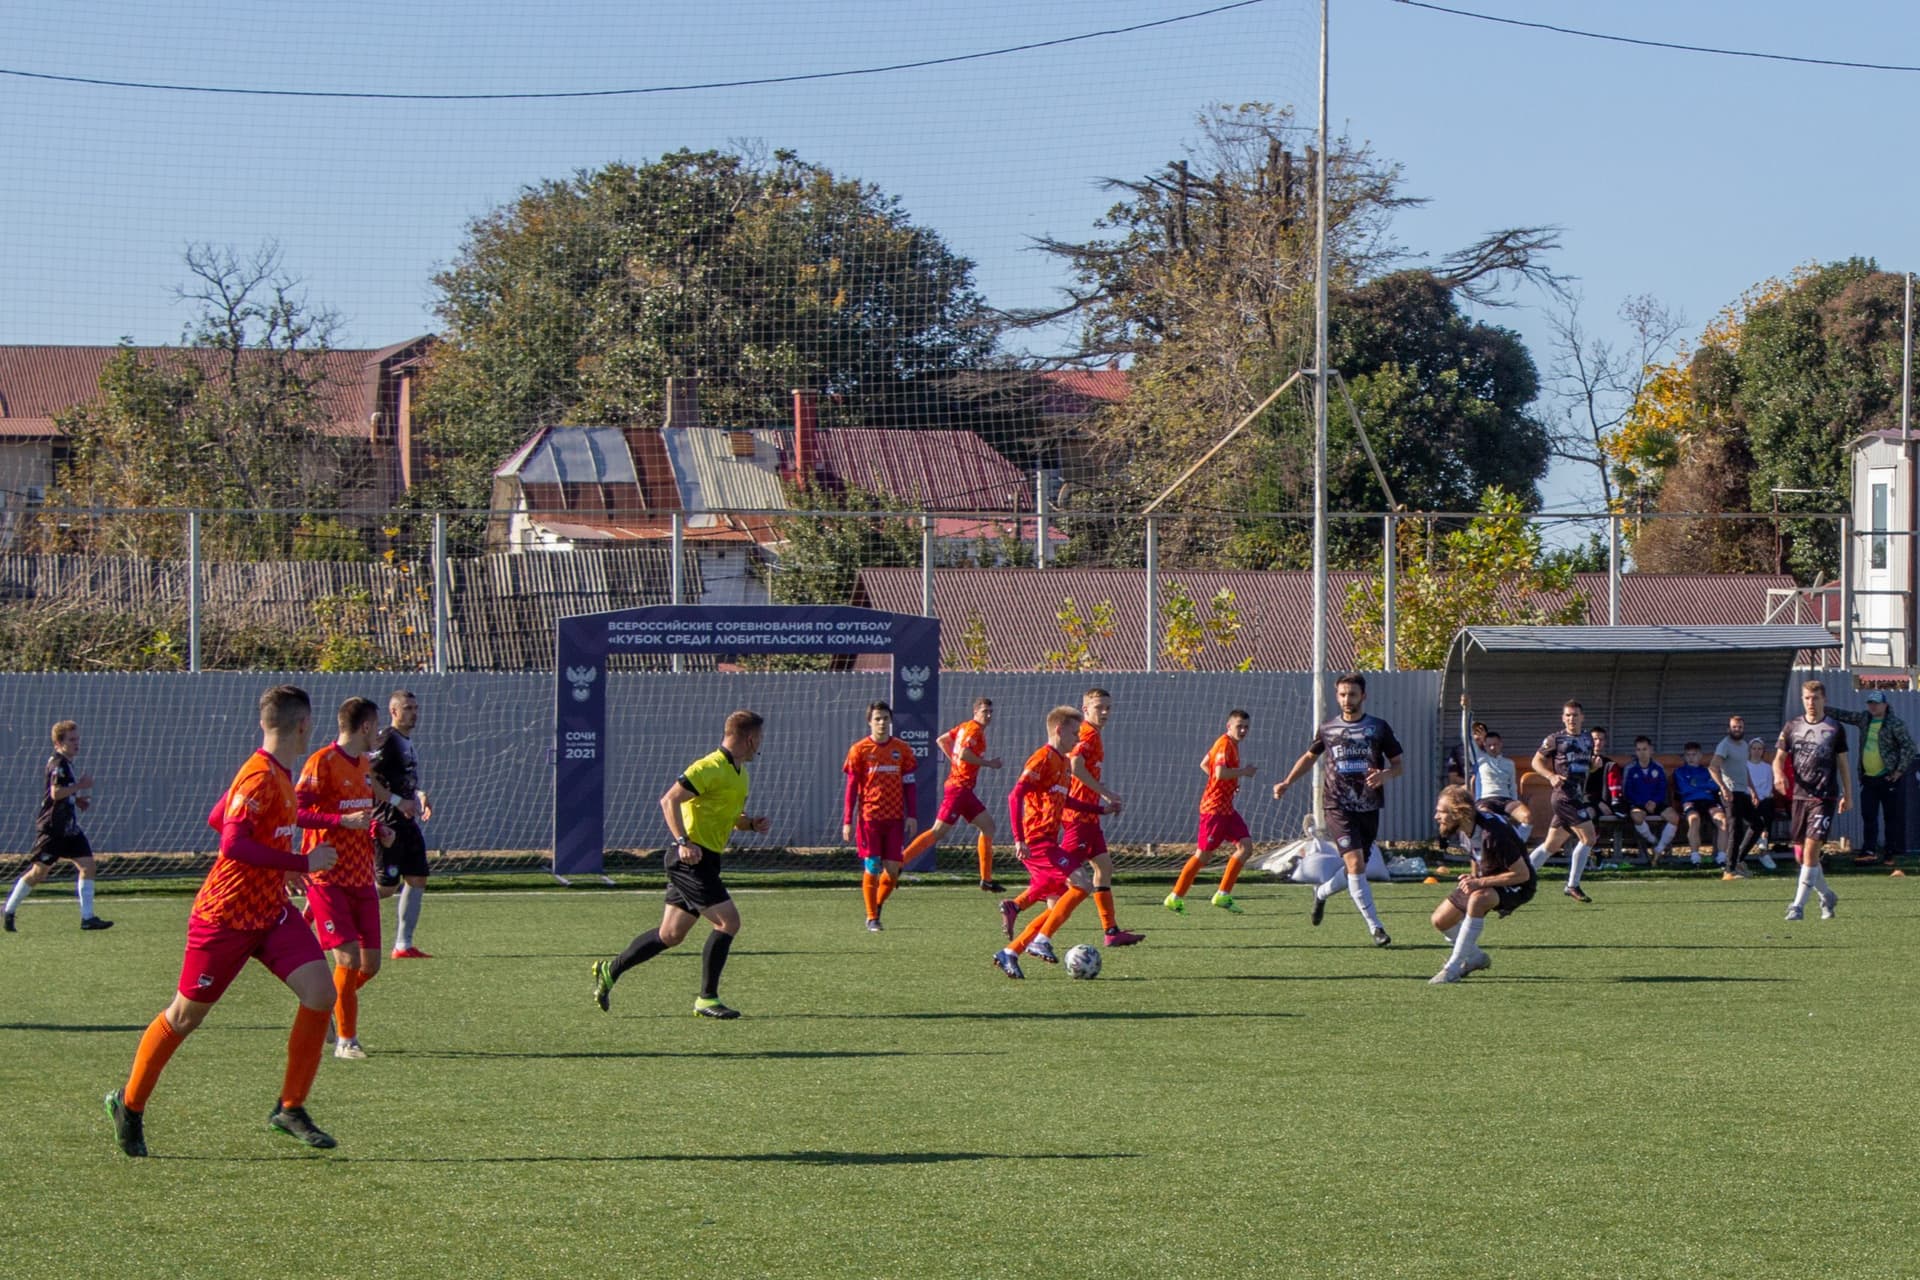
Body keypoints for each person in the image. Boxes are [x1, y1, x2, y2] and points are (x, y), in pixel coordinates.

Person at [106, 686, 343, 1157]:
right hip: (224, 917)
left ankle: (290, 1108)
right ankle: (129, 1106)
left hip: (269, 913)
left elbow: (219, 816)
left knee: (320, 993)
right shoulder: (259, 777)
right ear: (303, 726)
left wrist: (276, 867)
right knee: (184, 1017)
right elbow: (231, 843)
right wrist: (301, 863)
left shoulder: (275, 774)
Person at [592, 710, 767, 1018]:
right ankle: (707, 998)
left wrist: (750, 824)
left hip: (707, 859)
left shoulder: (739, 772)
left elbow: (727, 815)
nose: (761, 745)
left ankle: (610, 969)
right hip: (690, 859)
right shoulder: (708, 766)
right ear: (750, 739)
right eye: (760, 739)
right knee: (728, 922)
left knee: (670, 934)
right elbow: (669, 800)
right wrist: (684, 843)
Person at [1272, 673, 1403, 946]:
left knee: (1358, 868)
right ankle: (1376, 928)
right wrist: (1287, 781)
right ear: (1337, 696)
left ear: (1363, 696)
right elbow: (1310, 757)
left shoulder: (1378, 728)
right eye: (1342, 694)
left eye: (1352, 694)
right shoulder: (1327, 729)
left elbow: (1398, 765)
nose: (1347, 700)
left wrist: (1385, 776)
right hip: (1337, 805)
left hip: (1368, 804)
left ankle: (1321, 893)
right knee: (1355, 863)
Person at [296, 697, 394, 1060]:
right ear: (365, 726)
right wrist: (341, 823)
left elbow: (359, 815)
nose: (378, 732)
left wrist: (377, 828)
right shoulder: (321, 762)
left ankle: (324, 1011)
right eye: (376, 724)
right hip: (328, 877)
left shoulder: (365, 765)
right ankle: (346, 1041)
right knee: (348, 960)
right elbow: (298, 812)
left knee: (370, 966)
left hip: (360, 876)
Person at [994, 706, 1115, 978]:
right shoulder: (1042, 758)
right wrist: (1019, 839)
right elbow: (1015, 796)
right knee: (1081, 883)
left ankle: (1011, 951)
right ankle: (1041, 939)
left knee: (1057, 903)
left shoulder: (1061, 762)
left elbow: (1065, 800)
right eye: (1075, 733)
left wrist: (1100, 810)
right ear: (1059, 730)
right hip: (1036, 842)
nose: (1078, 739)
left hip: (1049, 841)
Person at [1050, 688, 1145, 948]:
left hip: (1089, 816)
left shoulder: (1094, 734)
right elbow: (1075, 766)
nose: (1104, 712)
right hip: (1079, 816)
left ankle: (1111, 931)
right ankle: (1029, 918)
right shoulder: (1088, 734)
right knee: (1060, 877)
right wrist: (1105, 793)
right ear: (1085, 709)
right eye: (1098, 707)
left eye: (1108, 708)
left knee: (1103, 868)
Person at [5, 720, 111, 933]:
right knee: (38, 873)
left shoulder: (67, 762)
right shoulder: (58, 763)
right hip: (53, 829)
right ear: (58, 743)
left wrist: (77, 800)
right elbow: (55, 793)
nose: (76, 743)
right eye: (71, 740)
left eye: (77, 739)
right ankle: (9, 910)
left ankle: (87, 918)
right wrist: (80, 786)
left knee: (88, 866)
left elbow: (63, 794)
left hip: (69, 828)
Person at [1428, 785, 1535, 984]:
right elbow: (1476, 855)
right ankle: (1475, 957)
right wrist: (1473, 877)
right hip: (1488, 879)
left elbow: (1522, 874)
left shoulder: (1493, 834)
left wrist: (1479, 882)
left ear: (1458, 813)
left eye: (1441, 812)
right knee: (1440, 920)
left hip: (1519, 884)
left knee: (1478, 899)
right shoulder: (1465, 826)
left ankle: (1452, 969)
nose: (1436, 816)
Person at [899, 697, 1003, 891]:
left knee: (988, 827)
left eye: (990, 712)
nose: (988, 715)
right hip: (958, 789)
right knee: (937, 832)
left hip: (964, 790)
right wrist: (988, 763)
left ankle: (986, 880)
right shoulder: (973, 730)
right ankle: (898, 863)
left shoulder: (964, 727)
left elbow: (942, 740)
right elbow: (963, 753)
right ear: (975, 712)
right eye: (984, 712)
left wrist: (954, 762)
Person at [1164, 710, 1259, 915]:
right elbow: (1219, 772)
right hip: (1214, 809)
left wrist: (1229, 783)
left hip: (1226, 807)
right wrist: (1242, 773)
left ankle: (1223, 894)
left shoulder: (1229, 743)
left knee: (1245, 846)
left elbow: (1205, 764)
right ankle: (1175, 896)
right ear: (1229, 726)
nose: (1243, 730)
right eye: (1239, 726)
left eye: (1246, 727)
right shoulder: (1225, 744)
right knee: (1203, 856)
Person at [1776, 679, 1851, 922]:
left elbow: (1843, 764)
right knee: (1802, 855)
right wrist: (1777, 774)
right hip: (1799, 796)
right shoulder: (1792, 727)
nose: (1811, 703)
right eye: (1807, 698)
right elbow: (1778, 757)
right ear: (1802, 700)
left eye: (1815, 698)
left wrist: (1847, 795)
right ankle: (1827, 895)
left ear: (1824, 700)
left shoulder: (1834, 728)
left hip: (1824, 796)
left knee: (1810, 851)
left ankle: (1797, 906)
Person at [844, 702, 918, 932]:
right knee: (873, 866)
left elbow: (909, 784)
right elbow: (851, 786)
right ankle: (872, 917)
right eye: (877, 719)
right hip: (869, 818)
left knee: (893, 870)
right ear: (869, 722)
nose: (882, 723)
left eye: (885, 718)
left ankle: (875, 905)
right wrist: (847, 820)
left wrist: (912, 814)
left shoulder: (902, 750)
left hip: (895, 818)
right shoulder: (859, 750)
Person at [372, 690, 433, 959]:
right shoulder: (387, 740)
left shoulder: (406, 742)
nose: (414, 713)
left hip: (407, 821)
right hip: (388, 822)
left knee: (418, 877)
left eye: (415, 708)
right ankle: (335, 905)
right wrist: (397, 801)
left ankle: (403, 945)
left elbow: (403, 779)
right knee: (385, 888)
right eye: (408, 708)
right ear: (394, 712)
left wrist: (419, 795)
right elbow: (366, 776)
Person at [1828, 693, 1913, 867]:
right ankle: (1869, 851)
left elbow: (1909, 747)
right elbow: (1845, 715)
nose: (1873, 707)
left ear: (1885, 705)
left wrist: (1898, 771)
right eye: (1870, 704)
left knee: (1890, 817)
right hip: (1869, 778)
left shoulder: (1894, 724)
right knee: (1868, 815)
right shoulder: (1865, 719)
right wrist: (1822, 708)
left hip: (1888, 778)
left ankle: (1890, 852)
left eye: (1876, 704)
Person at [1528, 701, 1600, 902]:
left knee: (1551, 845)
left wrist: (1594, 766)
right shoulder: (1555, 739)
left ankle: (1520, 877)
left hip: (1576, 795)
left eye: (1575, 715)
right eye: (1568, 715)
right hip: (1564, 797)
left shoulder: (1587, 738)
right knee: (1589, 838)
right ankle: (1572, 885)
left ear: (1582, 717)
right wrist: (1550, 776)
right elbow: (1535, 762)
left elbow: (1585, 768)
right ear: (1563, 718)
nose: (1572, 719)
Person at [1710, 715, 1758, 879]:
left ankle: (1738, 859)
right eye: (1734, 727)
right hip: (1730, 793)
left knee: (1757, 824)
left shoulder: (1744, 745)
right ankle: (1729, 870)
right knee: (1735, 829)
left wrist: (1752, 789)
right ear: (1728, 728)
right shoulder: (1724, 745)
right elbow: (1713, 768)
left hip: (1742, 792)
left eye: (1740, 727)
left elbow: (1744, 769)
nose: (1737, 730)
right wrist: (1723, 787)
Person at [1621, 736, 1680, 862]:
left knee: (1674, 818)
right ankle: (1653, 840)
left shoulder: (1658, 767)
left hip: (1656, 802)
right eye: (1639, 750)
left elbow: (1662, 787)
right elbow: (1627, 791)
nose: (1642, 753)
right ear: (1635, 751)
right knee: (1637, 817)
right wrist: (1642, 803)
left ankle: (1659, 849)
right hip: (1638, 803)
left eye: (1644, 749)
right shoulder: (1630, 769)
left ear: (1651, 750)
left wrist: (1654, 801)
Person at [1672, 743, 1726, 868]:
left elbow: (1715, 786)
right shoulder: (1680, 772)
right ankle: (1695, 857)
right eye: (1688, 755)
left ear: (1700, 755)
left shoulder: (1708, 771)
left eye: (1694, 754)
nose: (1691, 758)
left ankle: (1722, 857)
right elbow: (1685, 789)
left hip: (1709, 801)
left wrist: (1696, 785)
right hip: (1690, 801)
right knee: (1694, 819)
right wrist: (1704, 786)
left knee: (1722, 820)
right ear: (1684, 757)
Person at [1744, 738, 1780, 871]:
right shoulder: (1745, 766)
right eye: (1754, 748)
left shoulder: (1767, 768)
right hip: (1748, 799)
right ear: (1749, 750)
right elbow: (1744, 785)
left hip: (1763, 799)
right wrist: (1753, 796)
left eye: (1759, 749)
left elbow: (1769, 786)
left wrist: (1761, 796)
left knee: (1767, 808)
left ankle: (1763, 849)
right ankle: (1762, 846)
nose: (1756, 751)